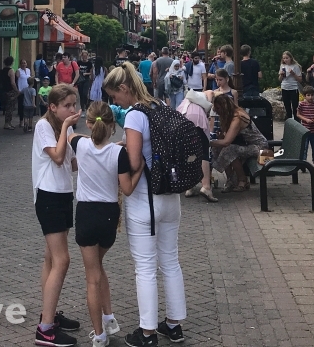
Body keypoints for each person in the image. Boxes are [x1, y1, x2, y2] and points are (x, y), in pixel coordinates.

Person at [103, 63, 188, 347]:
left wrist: (122, 153)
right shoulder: (159, 106)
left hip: (144, 202)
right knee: (171, 261)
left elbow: (136, 161)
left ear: (124, 89)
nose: (115, 102)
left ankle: (147, 332)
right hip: (170, 197)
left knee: (145, 268)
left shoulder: (135, 116)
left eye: (115, 97)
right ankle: (174, 325)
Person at [69, 102, 134, 346]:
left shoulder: (80, 144)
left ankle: (99, 335)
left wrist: (70, 122)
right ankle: (109, 317)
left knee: (92, 277)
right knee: (98, 266)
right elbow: (126, 189)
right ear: (111, 126)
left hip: (86, 212)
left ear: (89, 123)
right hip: (108, 215)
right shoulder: (119, 154)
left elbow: (71, 133)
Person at [31, 84, 83, 347]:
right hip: (49, 196)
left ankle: (49, 315)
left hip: (63, 194)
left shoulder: (67, 127)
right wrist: (65, 129)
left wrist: (101, 146)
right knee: (63, 260)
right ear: (53, 107)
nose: (72, 110)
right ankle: (45, 329)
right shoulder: (44, 126)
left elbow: (74, 163)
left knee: (51, 258)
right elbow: (59, 157)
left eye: (73, 105)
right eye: (67, 106)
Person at [210, 92, 269, 193]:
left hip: (260, 147)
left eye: (218, 109)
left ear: (224, 107)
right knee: (219, 148)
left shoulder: (237, 117)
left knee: (229, 149)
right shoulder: (230, 114)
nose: (217, 112)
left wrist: (208, 142)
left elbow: (226, 142)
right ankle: (231, 180)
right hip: (245, 144)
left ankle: (242, 180)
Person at [178, 88, 218, 202]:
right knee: (203, 153)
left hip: (182, 116)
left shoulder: (189, 98)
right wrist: (211, 103)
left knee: (190, 153)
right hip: (196, 117)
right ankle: (206, 187)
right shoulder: (207, 93)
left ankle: (190, 187)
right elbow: (210, 95)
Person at [296, 86, 314, 169]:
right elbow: (298, 114)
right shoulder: (302, 104)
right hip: (305, 130)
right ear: (304, 96)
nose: (310, 97)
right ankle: (303, 163)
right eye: (308, 95)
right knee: (304, 148)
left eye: (312, 95)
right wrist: (305, 119)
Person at [278, 51, 302, 120]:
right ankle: (289, 120)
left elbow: (300, 79)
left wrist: (293, 73)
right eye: (284, 58)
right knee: (287, 106)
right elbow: (280, 79)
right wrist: (281, 75)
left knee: (295, 106)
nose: (285, 60)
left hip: (293, 88)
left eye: (287, 58)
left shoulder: (295, 66)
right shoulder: (282, 66)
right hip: (284, 87)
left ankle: (297, 121)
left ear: (290, 58)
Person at [0, 56, 17, 131]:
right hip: (10, 91)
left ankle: (8, 122)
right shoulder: (11, 71)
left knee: (7, 107)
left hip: (3, 90)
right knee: (10, 108)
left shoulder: (3, 70)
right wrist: (16, 90)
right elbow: (13, 82)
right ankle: (7, 123)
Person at [18, 58, 33, 124]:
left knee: (27, 105)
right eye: (22, 63)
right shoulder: (18, 71)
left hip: (28, 90)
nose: (24, 64)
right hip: (21, 90)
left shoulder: (28, 70)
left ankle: (27, 120)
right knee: (21, 105)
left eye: (25, 63)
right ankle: (21, 120)